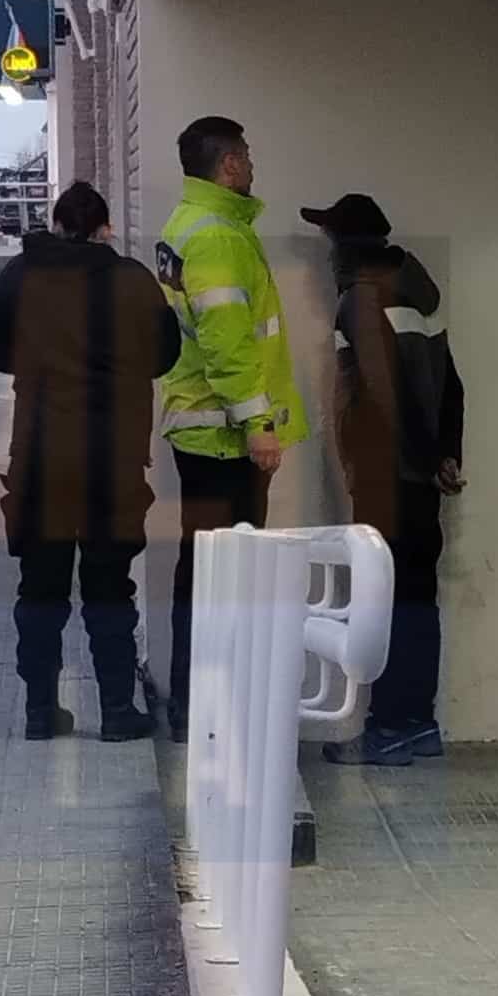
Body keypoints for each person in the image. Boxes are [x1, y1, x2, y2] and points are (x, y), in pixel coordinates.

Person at [0, 182, 181, 741]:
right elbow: (166, 355)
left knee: (40, 587)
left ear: (58, 224)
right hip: (111, 461)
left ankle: (40, 712)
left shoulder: (23, 275)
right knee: (110, 586)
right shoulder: (132, 280)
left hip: (41, 461)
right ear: (105, 228)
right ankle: (117, 710)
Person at [156, 116, 308, 741]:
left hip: (204, 430)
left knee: (204, 569)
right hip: (225, 436)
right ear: (228, 165)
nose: (251, 165)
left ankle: (197, 704)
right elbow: (227, 343)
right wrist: (259, 426)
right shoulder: (218, 237)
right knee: (227, 576)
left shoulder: (186, 225)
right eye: (246, 155)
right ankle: (209, 707)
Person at [301, 194, 466, 765]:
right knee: (419, 597)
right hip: (420, 479)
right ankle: (419, 723)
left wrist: (420, 458)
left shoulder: (360, 300)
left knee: (386, 598)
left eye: (330, 242)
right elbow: (454, 384)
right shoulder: (421, 294)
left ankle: (390, 728)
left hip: (386, 475)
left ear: (346, 247)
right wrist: (447, 456)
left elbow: (384, 394)